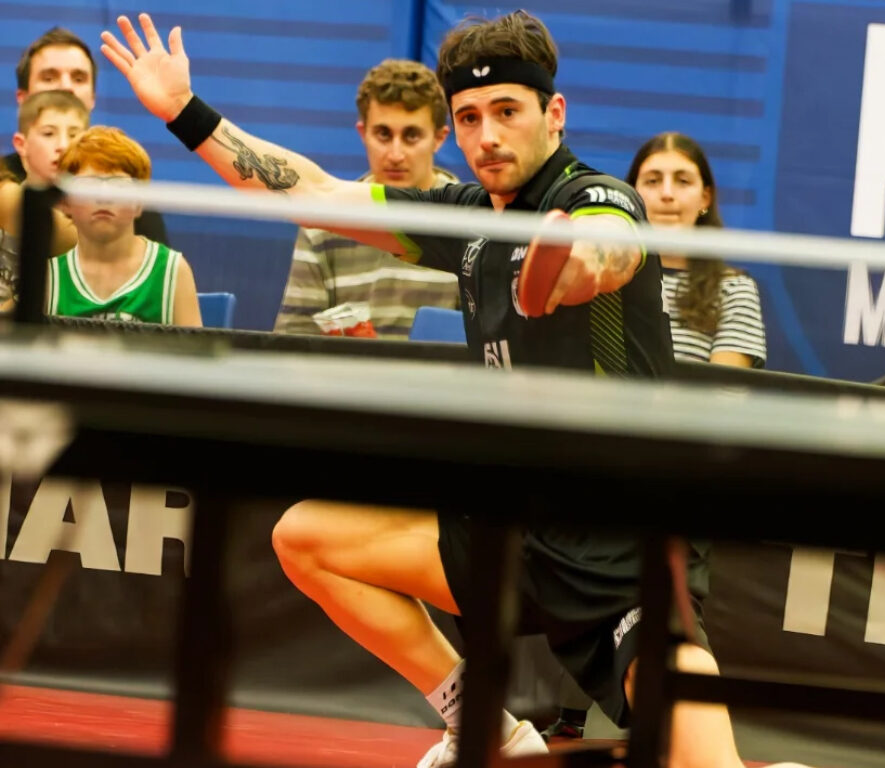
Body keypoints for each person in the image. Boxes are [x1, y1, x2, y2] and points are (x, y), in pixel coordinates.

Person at [102, 10, 788, 768]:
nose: (487, 135)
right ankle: (485, 723)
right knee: (306, 538)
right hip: (516, 524)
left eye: (507, 111)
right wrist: (184, 112)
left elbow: (611, 248)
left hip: (619, 534)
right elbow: (314, 191)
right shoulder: (465, 220)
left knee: (705, 763)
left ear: (554, 113)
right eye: (469, 117)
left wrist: (571, 266)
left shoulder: (598, 195)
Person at [273, 59, 460, 338]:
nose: (395, 154)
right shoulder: (324, 222)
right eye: (383, 134)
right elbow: (292, 341)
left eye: (411, 136)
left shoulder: (470, 222)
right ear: (363, 133)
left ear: (439, 138)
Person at [6, 26, 169, 244]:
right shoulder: (4, 182)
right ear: (22, 97)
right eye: (49, 77)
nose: (66, 87)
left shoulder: (126, 195)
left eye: (78, 78)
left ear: (92, 98)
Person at [628, 132, 767, 369]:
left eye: (683, 181)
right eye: (652, 181)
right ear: (632, 195)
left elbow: (724, 389)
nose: (667, 194)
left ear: (705, 198)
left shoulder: (733, 289)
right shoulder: (604, 279)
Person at [48, 126, 201, 326]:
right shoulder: (49, 279)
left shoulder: (173, 271)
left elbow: (193, 347)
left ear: (138, 203)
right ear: (65, 202)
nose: (104, 197)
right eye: (88, 186)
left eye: (118, 187)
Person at [0, 90, 86, 313]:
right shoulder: (6, 198)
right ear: (21, 144)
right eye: (48, 134)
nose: (63, 145)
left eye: (74, 135)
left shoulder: (95, 223)